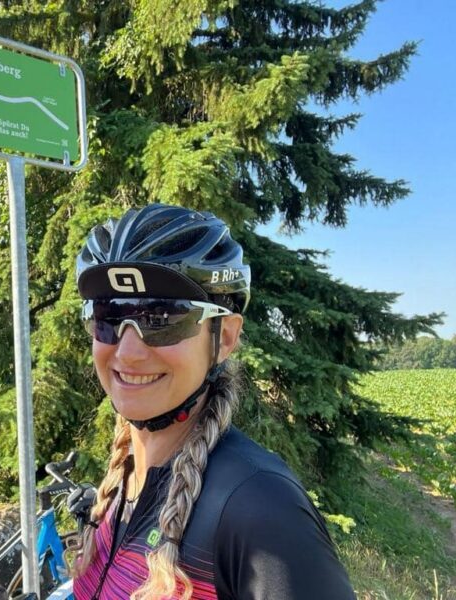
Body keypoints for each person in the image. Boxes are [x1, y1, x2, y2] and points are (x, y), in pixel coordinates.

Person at [70, 204, 356, 599]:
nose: (128, 352)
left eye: (162, 318)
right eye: (108, 315)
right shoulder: (127, 478)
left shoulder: (262, 508)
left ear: (224, 338)